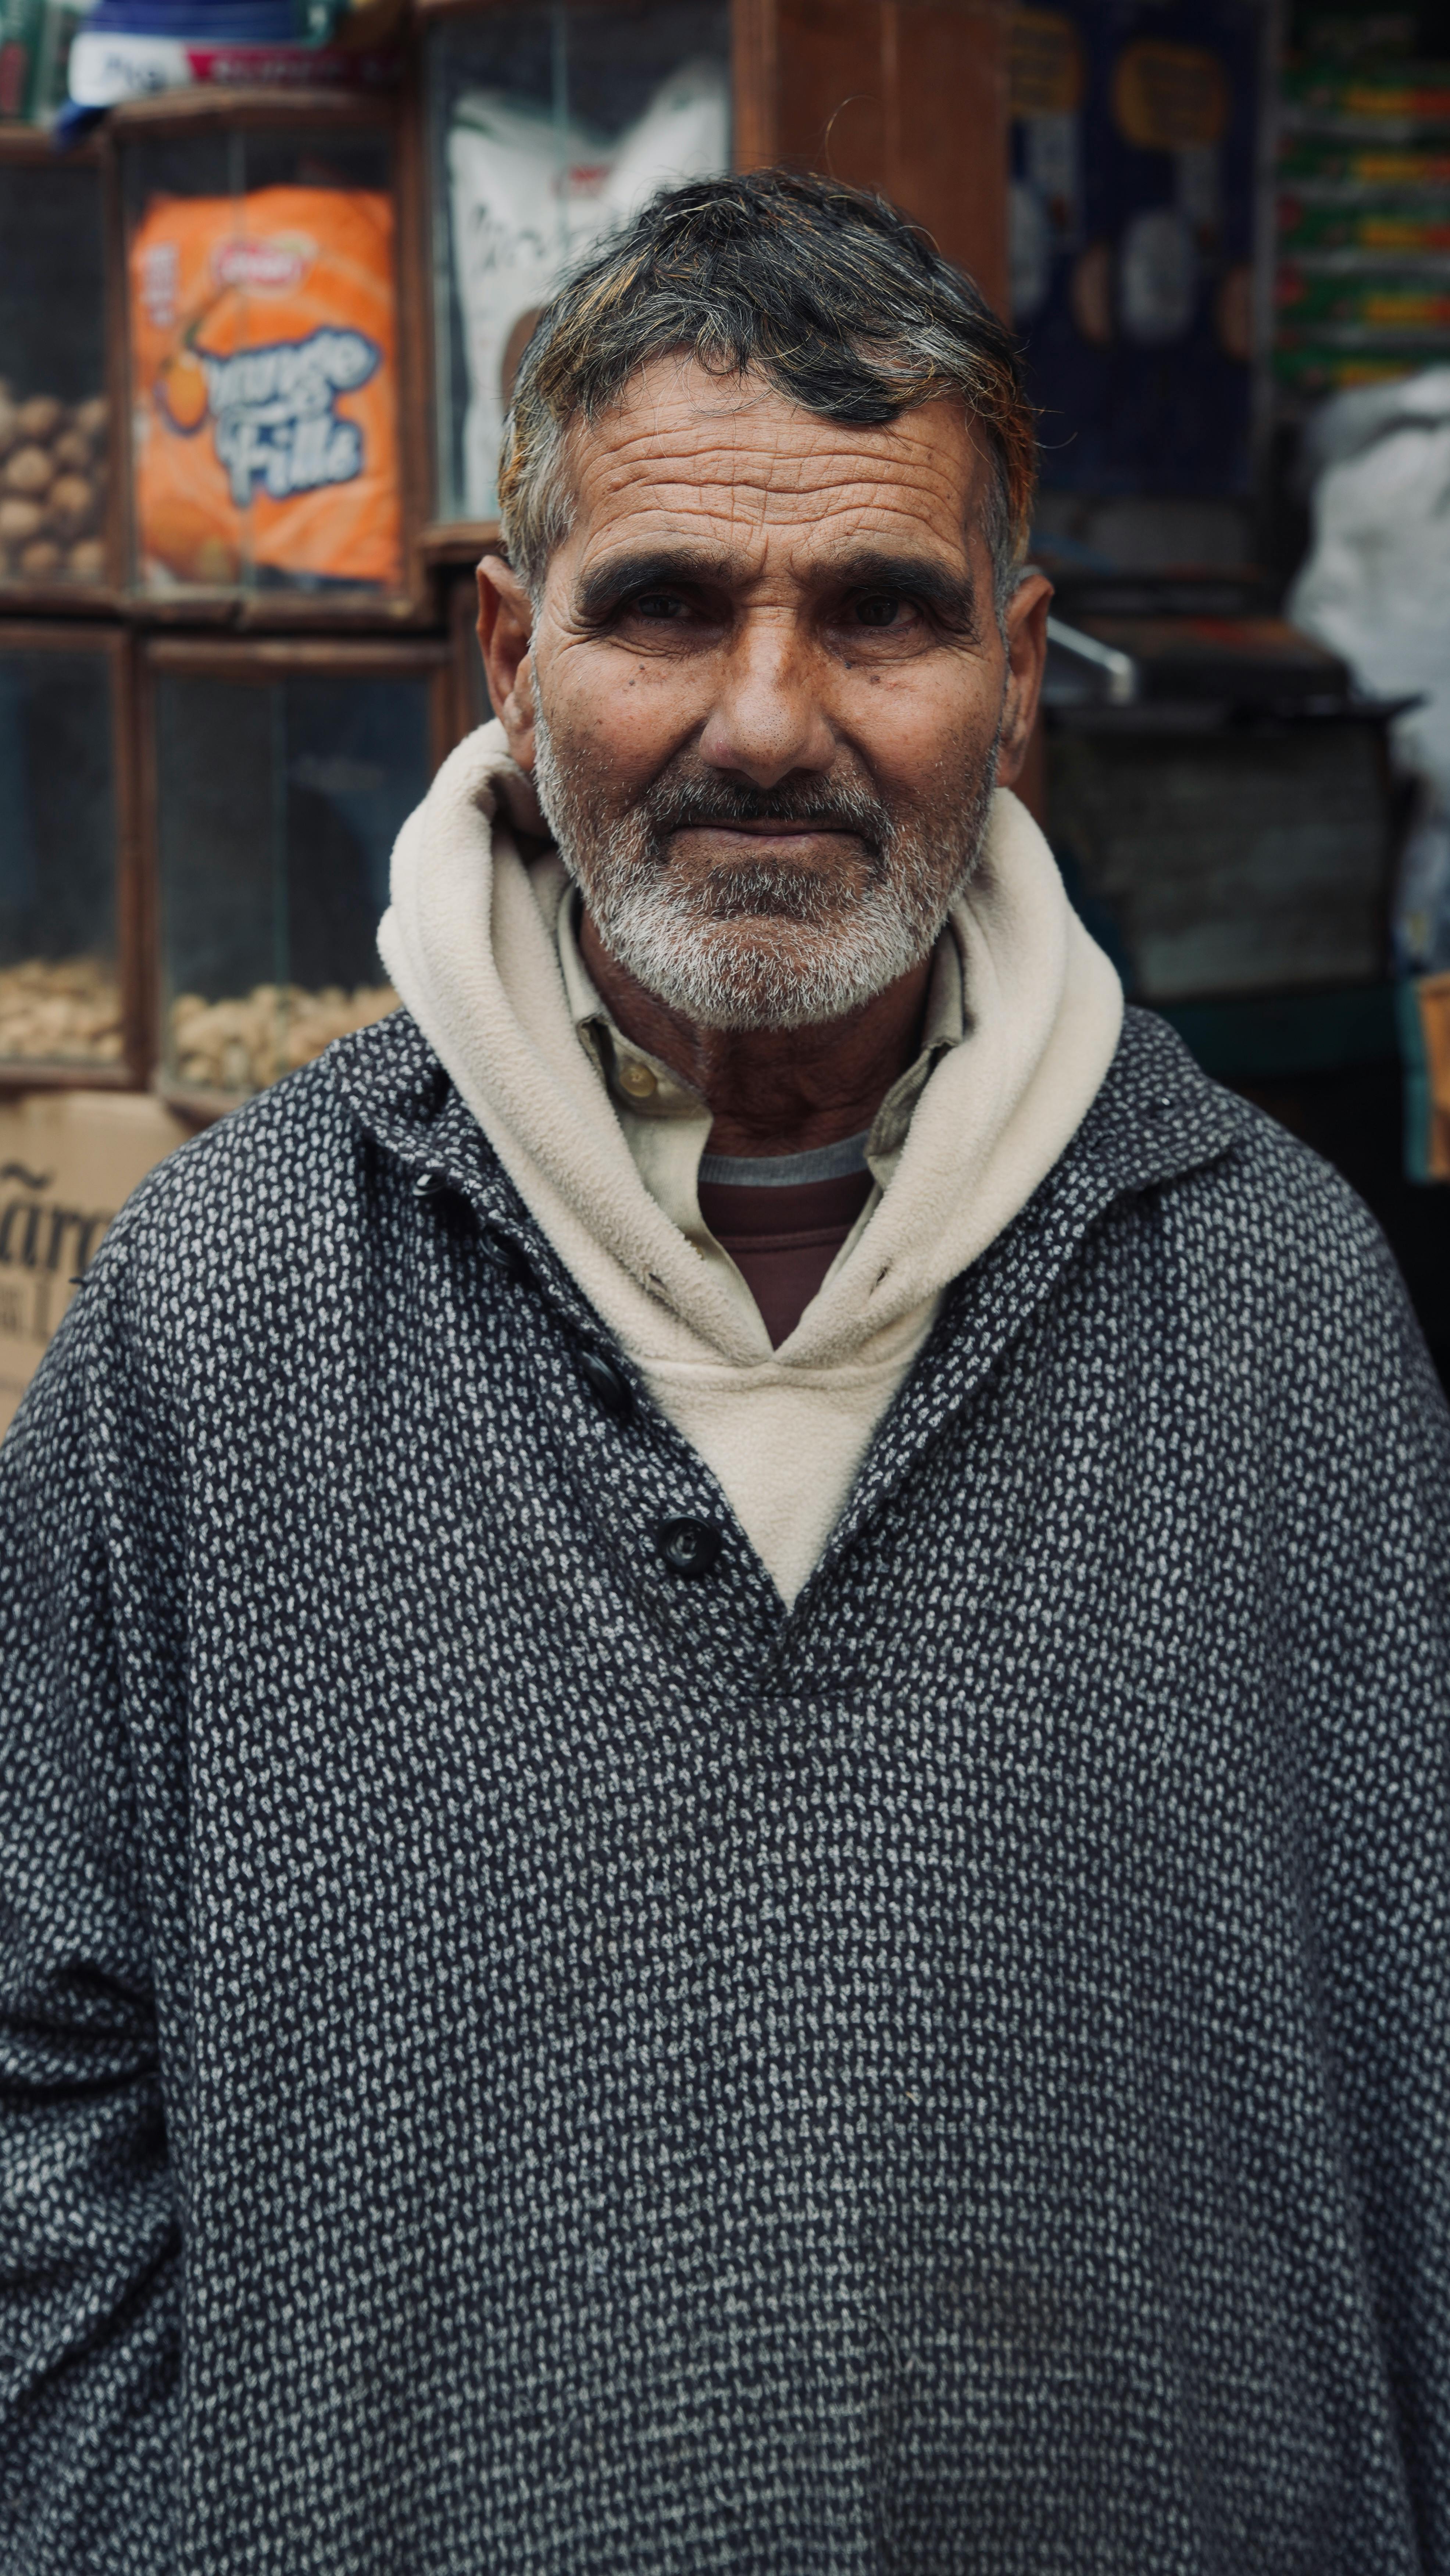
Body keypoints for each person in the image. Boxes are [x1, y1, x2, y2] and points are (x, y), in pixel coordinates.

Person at [2, 171, 1448, 2576]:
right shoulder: (226, 1308)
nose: (767, 722)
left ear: (1013, 670)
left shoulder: (1273, 1311)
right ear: (505, 651)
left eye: (877, 615)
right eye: (666, 606)